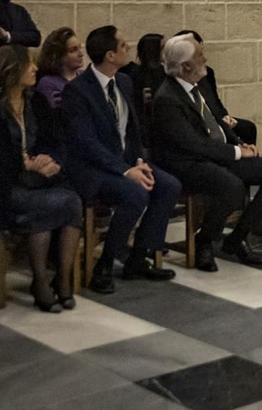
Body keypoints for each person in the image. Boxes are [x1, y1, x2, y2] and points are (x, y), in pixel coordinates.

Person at [150, 35, 262, 271]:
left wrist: (240, 144)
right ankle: (204, 240)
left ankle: (236, 239)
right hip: (186, 163)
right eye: (198, 56)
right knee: (231, 186)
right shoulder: (167, 97)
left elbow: (215, 121)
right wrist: (236, 152)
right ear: (185, 66)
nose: (204, 59)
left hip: (211, 157)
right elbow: (192, 144)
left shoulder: (195, 85)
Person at [61, 26, 179, 294]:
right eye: (123, 46)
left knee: (169, 185)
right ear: (110, 55)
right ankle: (104, 265)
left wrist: (138, 161)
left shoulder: (125, 82)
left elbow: (132, 129)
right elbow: (86, 143)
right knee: (135, 194)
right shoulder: (78, 91)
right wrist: (126, 172)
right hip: (93, 170)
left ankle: (138, 257)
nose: (129, 49)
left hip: (125, 164)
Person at [0, 45, 84, 312]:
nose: (35, 69)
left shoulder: (36, 101)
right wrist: (25, 164)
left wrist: (47, 159)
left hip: (37, 179)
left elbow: (54, 139)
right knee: (52, 205)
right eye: (28, 65)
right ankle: (41, 281)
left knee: (71, 201)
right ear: (11, 71)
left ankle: (62, 278)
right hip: (4, 184)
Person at [170, 30, 256, 145]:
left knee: (247, 127)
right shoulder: (173, 86)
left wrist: (225, 115)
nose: (204, 59)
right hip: (202, 122)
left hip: (215, 116)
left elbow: (214, 100)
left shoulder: (207, 74)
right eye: (198, 54)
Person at [35, 27, 86, 109]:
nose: (81, 54)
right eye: (73, 50)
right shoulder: (48, 83)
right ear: (59, 55)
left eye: (80, 48)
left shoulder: (85, 76)